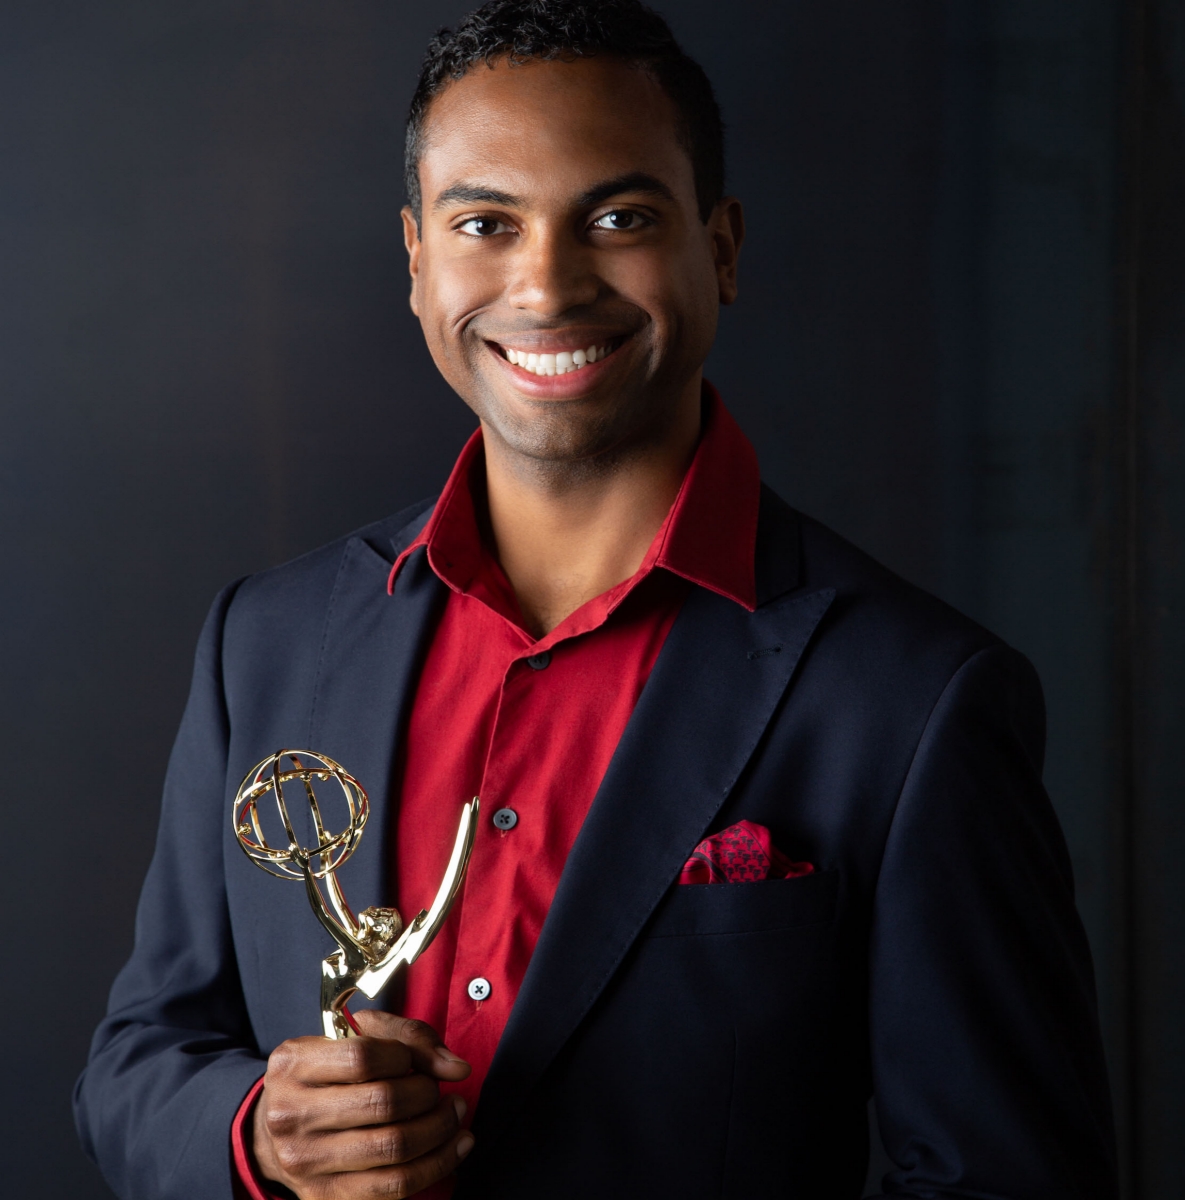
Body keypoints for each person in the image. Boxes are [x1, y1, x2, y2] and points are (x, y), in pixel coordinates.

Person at [75, 2, 1119, 1198]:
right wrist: (254, 1134)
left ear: (720, 248)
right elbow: (134, 1064)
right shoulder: (261, 642)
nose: (547, 285)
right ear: (417, 261)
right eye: (485, 223)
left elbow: (1010, 1180)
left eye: (618, 218)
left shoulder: (916, 699)